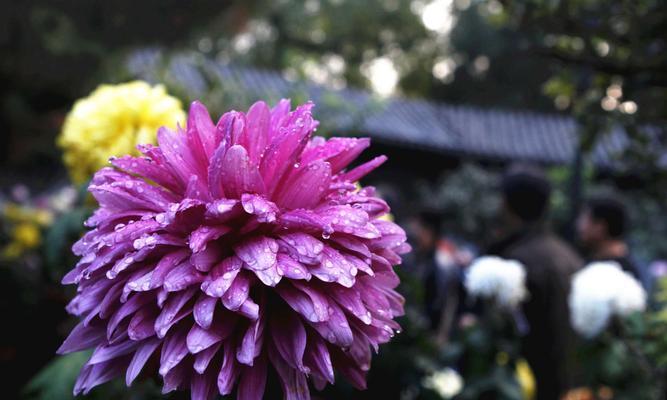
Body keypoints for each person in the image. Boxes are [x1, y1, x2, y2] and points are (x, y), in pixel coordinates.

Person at [487, 165, 583, 400]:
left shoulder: (516, 263)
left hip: (529, 386)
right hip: (571, 385)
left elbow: (503, 335)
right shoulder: (570, 256)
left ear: (506, 204)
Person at [576, 195, 641, 279]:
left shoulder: (616, 273)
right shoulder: (630, 268)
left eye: (584, 219)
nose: (579, 226)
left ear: (600, 226)